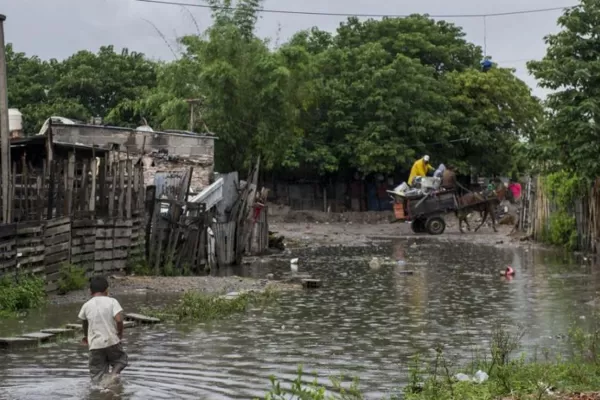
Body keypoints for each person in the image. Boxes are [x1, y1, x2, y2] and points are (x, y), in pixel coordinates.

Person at [78, 276, 128, 383]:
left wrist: (87, 337)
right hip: (112, 341)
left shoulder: (86, 306)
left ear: (90, 291)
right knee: (121, 360)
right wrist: (119, 334)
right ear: (107, 291)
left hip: (95, 345)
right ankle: (113, 375)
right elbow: (119, 320)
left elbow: (84, 323)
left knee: (97, 374)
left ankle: (101, 391)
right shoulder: (112, 301)